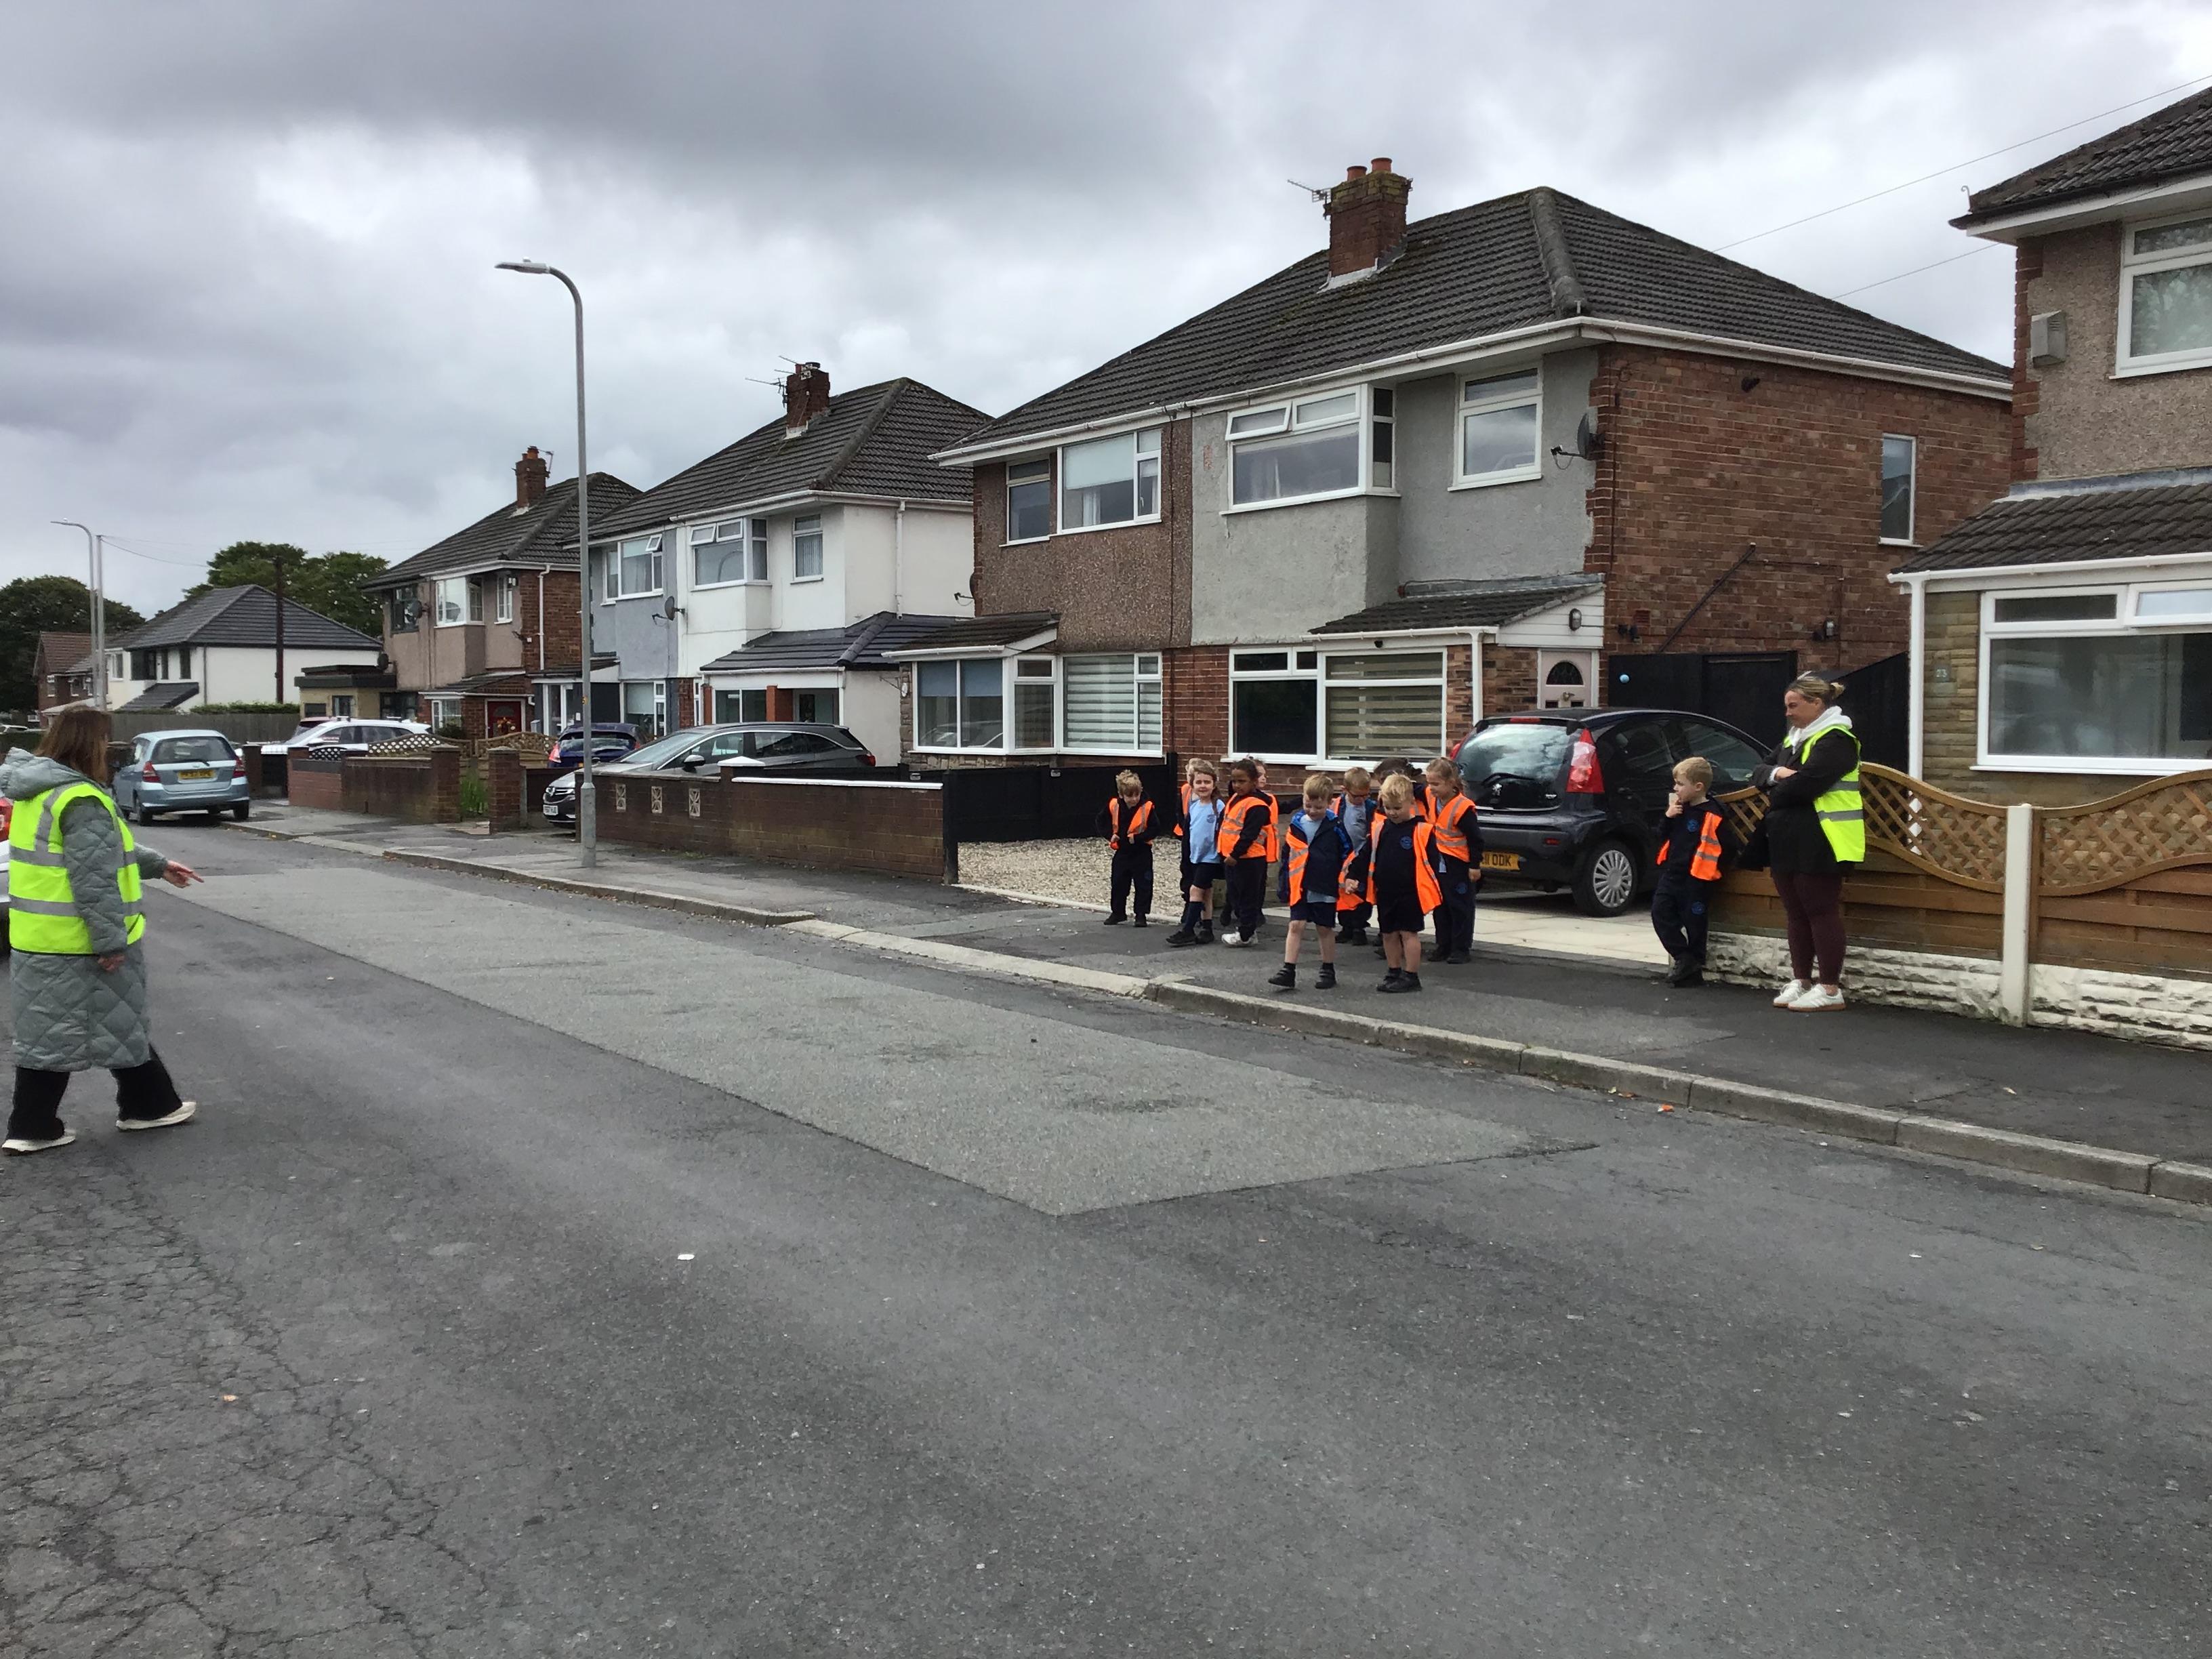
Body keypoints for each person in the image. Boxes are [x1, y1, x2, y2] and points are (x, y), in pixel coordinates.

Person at [3, 706, 205, 1155]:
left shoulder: (37, 791)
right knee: (81, 1031)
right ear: (89, 744)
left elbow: (102, 849)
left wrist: (158, 864)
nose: (110, 750)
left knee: (75, 1029)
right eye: (105, 740)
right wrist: (110, 941)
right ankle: (36, 1126)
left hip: (40, 938)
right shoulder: (80, 798)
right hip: (79, 943)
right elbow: (93, 878)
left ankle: (148, 1104)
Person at [1751, 673, 1862, 1012]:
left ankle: (1829, 989)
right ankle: (1801, 981)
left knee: (1820, 910)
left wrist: (1776, 785)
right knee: (1795, 911)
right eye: (1786, 706)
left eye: (1794, 706)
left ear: (1817, 704)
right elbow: (1758, 771)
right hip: (1788, 835)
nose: (1787, 713)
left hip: (1823, 837)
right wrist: (1778, 774)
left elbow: (1806, 787)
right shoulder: (1795, 739)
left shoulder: (1837, 739)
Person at [1650, 756, 1738, 987]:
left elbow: (1728, 846)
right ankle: (1684, 957)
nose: (1675, 788)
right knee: (1660, 913)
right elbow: (1661, 836)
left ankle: (1693, 968)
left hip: (1697, 878)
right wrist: (1667, 817)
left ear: (1698, 787)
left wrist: (1716, 871)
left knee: (1695, 921)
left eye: (1680, 784)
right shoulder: (1678, 810)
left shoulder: (1712, 814)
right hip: (1672, 873)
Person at [1269, 775, 1350, 991]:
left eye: (1318, 807)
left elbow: (1347, 854)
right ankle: (1288, 970)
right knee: (1296, 925)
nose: (1312, 811)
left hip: (1324, 884)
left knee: (1324, 928)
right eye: (1308, 805)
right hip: (1300, 885)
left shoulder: (1336, 826)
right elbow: (1287, 858)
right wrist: (1284, 884)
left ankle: (1328, 969)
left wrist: (1345, 878)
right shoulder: (1296, 826)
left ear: (1329, 802)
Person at [1364, 773, 1439, 994]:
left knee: (1409, 933)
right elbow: (1367, 854)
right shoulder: (1380, 829)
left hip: (1411, 892)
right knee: (1388, 933)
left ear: (1411, 803)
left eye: (1397, 808)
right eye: (1388, 807)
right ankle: (1393, 970)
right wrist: (1353, 876)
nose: (1392, 812)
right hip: (1386, 891)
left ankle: (1411, 975)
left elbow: (1432, 862)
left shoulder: (1422, 830)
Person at [1422, 756, 1481, 966]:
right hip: (1438, 861)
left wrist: (1475, 866)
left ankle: (1461, 948)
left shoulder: (1463, 808)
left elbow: (1475, 839)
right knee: (1441, 906)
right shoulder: (1432, 798)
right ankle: (1443, 945)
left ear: (1451, 783)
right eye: (1429, 783)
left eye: (1436, 784)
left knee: (1460, 907)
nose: (1431, 788)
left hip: (1458, 864)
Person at [1166, 760, 1225, 947]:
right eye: (1199, 782)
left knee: (1195, 890)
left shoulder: (1219, 807)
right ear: (1192, 785)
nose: (1203, 786)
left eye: (1207, 782)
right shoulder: (1194, 807)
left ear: (1214, 784)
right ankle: (1207, 929)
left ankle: (1188, 930)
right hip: (1196, 856)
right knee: (1206, 892)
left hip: (1211, 856)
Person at [1216, 760, 1273, 947]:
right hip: (1234, 858)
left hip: (1249, 859)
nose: (1237, 785)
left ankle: (1246, 934)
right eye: (1234, 781)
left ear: (1254, 782)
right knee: (1236, 897)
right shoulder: (1236, 799)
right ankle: (1247, 931)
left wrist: (1235, 854)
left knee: (1248, 898)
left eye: (1242, 781)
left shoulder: (1257, 805)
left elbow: (1249, 834)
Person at [1095, 770, 1157, 927]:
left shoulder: (1148, 807)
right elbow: (1100, 821)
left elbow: (1156, 828)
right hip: (1122, 851)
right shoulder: (1114, 805)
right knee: (1118, 882)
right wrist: (1110, 836)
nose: (1134, 799)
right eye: (1130, 796)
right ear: (1121, 795)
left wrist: (1138, 838)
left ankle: (1141, 915)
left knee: (1143, 884)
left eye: (1137, 795)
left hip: (1142, 851)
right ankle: (1118, 912)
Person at [1331, 767, 1378, 944]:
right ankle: (1346, 926)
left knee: (1361, 893)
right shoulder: (1337, 805)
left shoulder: (1370, 808)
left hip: (1362, 857)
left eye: (1366, 795)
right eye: (1357, 796)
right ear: (1345, 790)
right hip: (1343, 856)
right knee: (1343, 892)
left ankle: (1359, 927)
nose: (1361, 799)